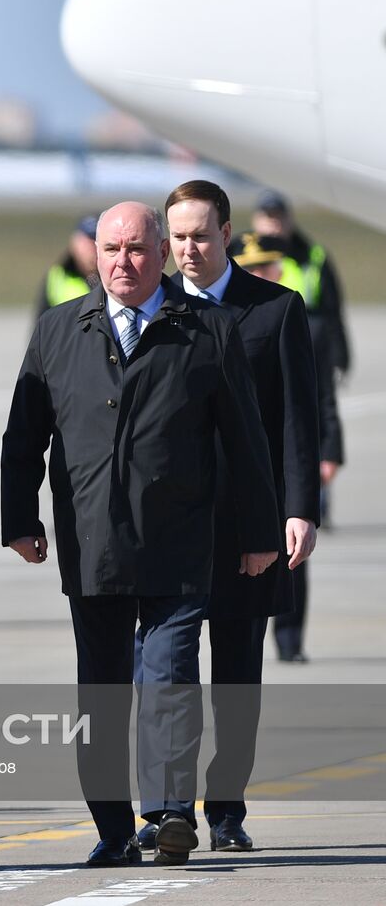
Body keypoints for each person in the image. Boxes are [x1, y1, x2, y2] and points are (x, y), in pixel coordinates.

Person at [1, 202, 280, 868]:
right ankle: (114, 826)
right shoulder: (59, 329)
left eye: (135, 250)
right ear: (92, 255)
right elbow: (23, 437)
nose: (122, 263)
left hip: (180, 542)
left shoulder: (206, 330)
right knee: (100, 692)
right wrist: (19, 519)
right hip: (92, 541)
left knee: (170, 676)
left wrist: (260, 529)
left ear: (161, 255)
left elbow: (246, 440)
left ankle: (170, 810)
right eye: (110, 250)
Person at [125, 183, 319, 855]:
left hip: (247, 527)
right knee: (165, 671)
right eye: (176, 238)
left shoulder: (275, 311)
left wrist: (297, 510)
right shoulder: (155, 310)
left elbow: (298, 418)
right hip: (171, 528)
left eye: (200, 237)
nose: (188, 250)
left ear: (228, 233)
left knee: (236, 677)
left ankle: (227, 805)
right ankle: (166, 806)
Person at [230, 232, 342, 663]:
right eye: (253, 266)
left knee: (293, 556)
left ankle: (291, 640)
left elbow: (315, 400)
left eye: (268, 265)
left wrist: (328, 450)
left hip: (280, 469)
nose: (262, 273)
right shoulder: (209, 317)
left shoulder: (293, 316)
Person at [246, 189, 348, 541]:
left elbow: (333, 311)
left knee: (305, 415)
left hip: (306, 336)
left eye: (278, 216)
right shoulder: (237, 255)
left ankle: (312, 504)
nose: (272, 223)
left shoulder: (312, 257)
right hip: (259, 339)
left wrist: (340, 356)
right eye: (266, 216)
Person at [34, 214, 98, 321]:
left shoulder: (114, 276)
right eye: (88, 242)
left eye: (97, 241)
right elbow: (41, 324)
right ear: (74, 242)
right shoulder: (57, 276)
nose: (92, 248)